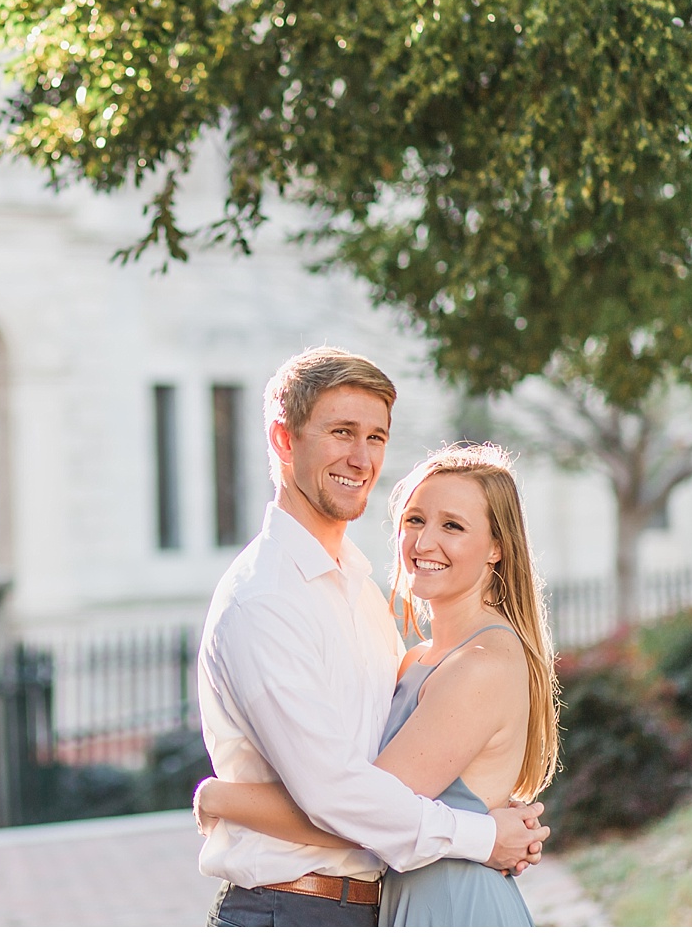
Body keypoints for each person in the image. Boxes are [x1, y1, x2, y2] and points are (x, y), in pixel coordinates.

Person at [196, 348, 550, 927]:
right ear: (284, 441)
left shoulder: (361, 593)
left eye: (376, 438)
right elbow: (339, 796)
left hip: (372, 906)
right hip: (291, 907)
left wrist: (223, 800)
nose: (360, 458)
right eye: (341, 432)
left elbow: (379, 786)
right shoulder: (264, 601)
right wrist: (480, 834)